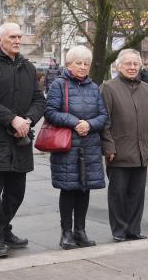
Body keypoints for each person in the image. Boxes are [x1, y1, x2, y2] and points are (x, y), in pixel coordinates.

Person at [0, 22, 45, 258]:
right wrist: (12, 120)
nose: (18, 40)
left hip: (20, 140)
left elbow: (40, 100)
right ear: (0, 40)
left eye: (19, 36)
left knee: (16, 192)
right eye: (13, 37)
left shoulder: (28, 67)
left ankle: (4, 229)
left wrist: (27, 120)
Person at [44, 45, 108, 250]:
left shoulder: (94, 88)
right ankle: (66, 233)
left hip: (89, 146)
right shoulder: (58, 85)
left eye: (86, 64)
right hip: (68, 146)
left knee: (84, 189)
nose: (82, 67)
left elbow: (103, 116)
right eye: (78, 63)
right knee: (69, 189)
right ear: (69, 64)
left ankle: (80, 231)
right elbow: (50, 112)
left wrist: (89, 125)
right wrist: (75, 122)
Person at [100, 48, 148, 242]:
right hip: (118, 152)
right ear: (118, 66)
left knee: (137, 196)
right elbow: (105, 122)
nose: (132, 67)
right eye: (128, 64)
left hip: (141, 152)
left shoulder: (147, 89)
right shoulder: (108, 88)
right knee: (118, 195)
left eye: (135, 64)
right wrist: (108, 147)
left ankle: (133, 230)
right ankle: (119, 230)